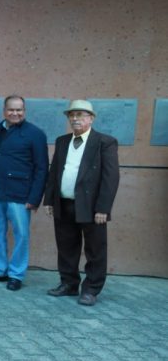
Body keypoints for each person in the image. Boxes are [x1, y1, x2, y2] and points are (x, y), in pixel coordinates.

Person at [44, 100, 119, 306]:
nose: (75, 119)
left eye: (80, 115)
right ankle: (68, 284)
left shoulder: (105, 142)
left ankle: (91, 289)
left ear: (91, 118)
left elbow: (110, 178)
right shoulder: (62, 141)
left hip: (93, 207)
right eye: (72, 115)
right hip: (64, 203)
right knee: (66, 247)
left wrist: (103, 208)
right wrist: (50, 199)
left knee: (95, 249)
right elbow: (54, 172)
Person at [0, 95, 48, 291]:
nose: (15, 113)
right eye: (11, 109)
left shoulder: (35, 134)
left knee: (21, 235)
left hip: (20, 195)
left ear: (24, 111)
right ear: (4, 111)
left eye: (19, 110)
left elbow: (41, 168)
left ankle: (16, 274)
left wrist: (34, 198)